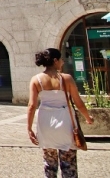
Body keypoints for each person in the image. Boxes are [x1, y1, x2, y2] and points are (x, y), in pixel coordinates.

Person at [27, 48, 94, 178]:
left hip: (45, 122)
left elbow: (31, 105)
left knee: (49, 162)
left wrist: (29, 128)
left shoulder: (36, 80)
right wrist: (88, 118)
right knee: (68, 163)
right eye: (61, 59)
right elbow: (78, 102)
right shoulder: (66, 78)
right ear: (55, 60)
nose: (63, 62)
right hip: (65, 121)